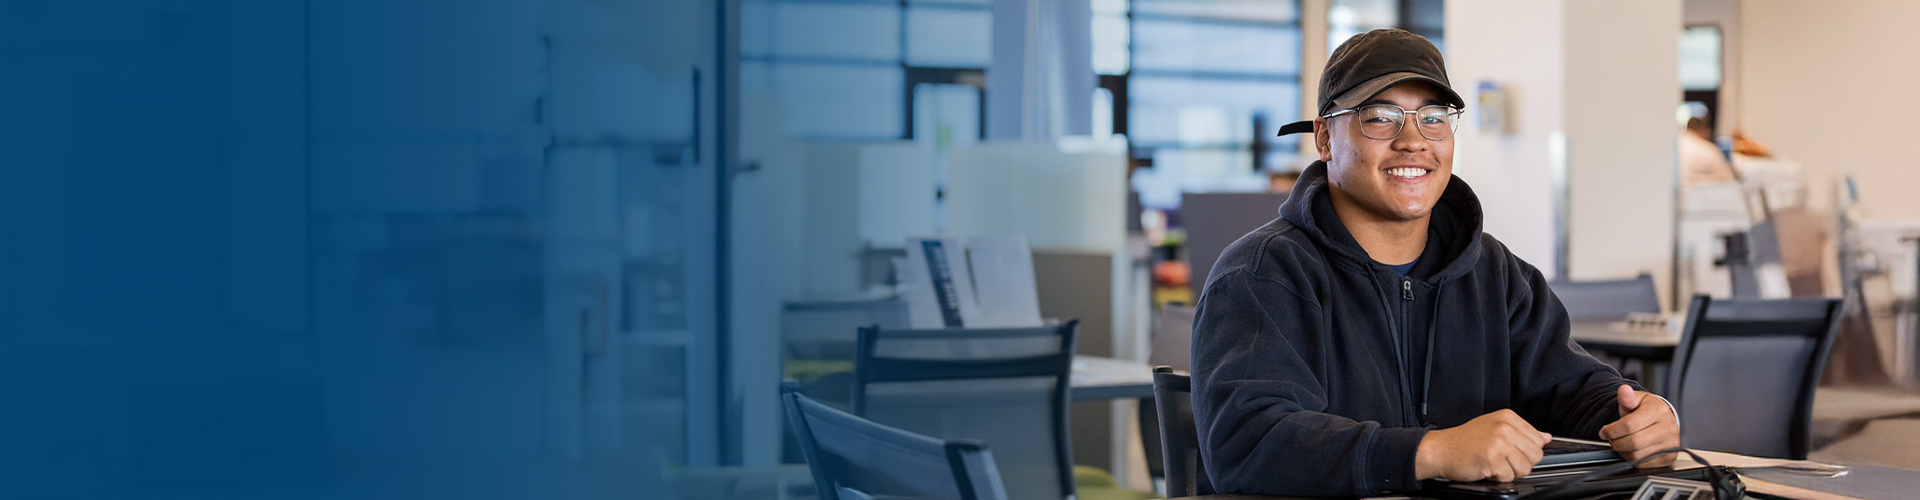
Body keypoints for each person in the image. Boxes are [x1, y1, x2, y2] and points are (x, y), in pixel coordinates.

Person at [1190, 29, 1680, 497]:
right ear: (1324, 139)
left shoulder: (1497, 274)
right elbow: (1246, 441)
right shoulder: (1263, 275)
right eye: (1380, 116)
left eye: (1433, 117)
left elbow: (1571, 389)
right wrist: (1430, 452)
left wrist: (1640, 415)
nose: (1412, 139)